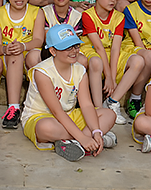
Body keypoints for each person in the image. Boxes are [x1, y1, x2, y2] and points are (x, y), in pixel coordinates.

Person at [20, 24, 118, 162]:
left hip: (69, 115)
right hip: (41, 116)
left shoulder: (80, 69)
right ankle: (87, 140)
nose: (74, 51)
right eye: (67, 48)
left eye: (76, 46)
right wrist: (83, 136)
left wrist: (95, 130)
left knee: (109, 114)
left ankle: (78, 142)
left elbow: (86, 105)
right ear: (53, 51)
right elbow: (56, 111)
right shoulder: (42, 72)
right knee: (45, 128)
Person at [81, 0, 148, 124]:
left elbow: (116, 47)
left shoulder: (118, 17)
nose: (112, 0)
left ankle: (112, 101)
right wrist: (109, 78)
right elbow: (98, 47)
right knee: (97, 62)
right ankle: (98, 108)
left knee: (138, 61)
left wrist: (111, 76)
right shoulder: (88, 15)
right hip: (92, 50)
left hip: (111, 51)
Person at [0, 0, 46, 129]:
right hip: (9, 59)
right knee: (15, 56)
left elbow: (38, 40)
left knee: (35, 56)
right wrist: (5, 49)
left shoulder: (36, 11)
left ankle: (38, 102)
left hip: (28, 52)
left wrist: (23, 46)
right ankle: (14, 107)